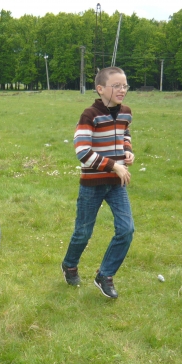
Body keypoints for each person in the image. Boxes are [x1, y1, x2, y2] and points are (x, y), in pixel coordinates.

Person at [61, 66, 135, 299]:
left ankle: (105, 275)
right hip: (92, 185)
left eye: (125, 85)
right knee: (83, 233)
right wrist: (114, 165)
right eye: (116, 86)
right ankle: (69, 265)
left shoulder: (126, 113)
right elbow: (83, 152)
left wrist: (127, 150)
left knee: (126, 229)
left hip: (117, 184)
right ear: (100, 89)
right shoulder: (89, 115)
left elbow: (125, 134)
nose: (122, 90)